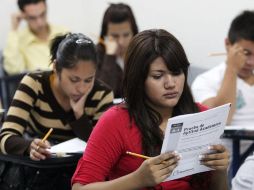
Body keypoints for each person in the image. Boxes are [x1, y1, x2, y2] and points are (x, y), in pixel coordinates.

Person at [71, 29, 229, 190]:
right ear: (139, 79)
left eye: (176, 73)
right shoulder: (116, 121)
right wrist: (137, 180)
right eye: (158, 76)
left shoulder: (201, 116)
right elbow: (79, 188)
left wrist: (221, 170)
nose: (170, 83)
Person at [0, 33, 113, 160]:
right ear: (56, 67)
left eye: (89, 80)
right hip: (37, 169)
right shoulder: (34, 84)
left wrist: (79, 115)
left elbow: (103, 148)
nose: (81, 88)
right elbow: (5, 137)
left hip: (79, 170)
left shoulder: (102, 94)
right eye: (74, 79)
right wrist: (29, 147)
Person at [191, 10, 254, 126]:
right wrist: (232, 68)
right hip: (231, 144)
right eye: (246, 53)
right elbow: (218, 121)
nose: (251, 62)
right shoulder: (206, 80)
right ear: (228, 44)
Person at [3, 0, 68, 75]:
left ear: (46, 8)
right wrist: (14, 30)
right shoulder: (19, 40)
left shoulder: (63, 32)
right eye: (32, 18)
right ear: (23, 15)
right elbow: (14, 71)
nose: (39, 23)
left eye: (42, 14)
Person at [96, 3, 138, 98]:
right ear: (105, 34)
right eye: (115, 36)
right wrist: (110, 56)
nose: (121, 42)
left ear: (134, 32)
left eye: (126, 35)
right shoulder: (96, 54)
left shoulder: (142, 50)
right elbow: (102, 95)